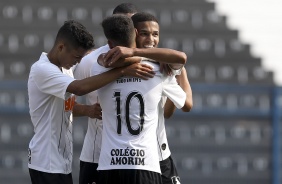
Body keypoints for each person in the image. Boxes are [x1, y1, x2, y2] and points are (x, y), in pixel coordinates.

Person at [27, 19, 154, 184]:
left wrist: (87, 110)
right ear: (61, 47)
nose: (78, 62)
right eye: (76, 57)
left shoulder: (65, 67)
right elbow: (79, 88)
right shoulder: (42, 70)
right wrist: (121, 71)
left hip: (59, 161)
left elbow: (65, 107)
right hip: (45, 161)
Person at [92, 14, 190, 184]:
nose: (151, 39)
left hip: (110, 163)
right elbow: (187, 103)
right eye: (145, 34)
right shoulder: (159, 69)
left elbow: (99, 63)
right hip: (147, 163)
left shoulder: (100, 66)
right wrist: (178, 73)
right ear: (135, 34)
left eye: (155, 34)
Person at [74, 3, 139, 184]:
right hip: (96, 156)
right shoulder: (89, 62)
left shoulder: (153, 61)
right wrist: (86, 110)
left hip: (138, 159)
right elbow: (64, 104)